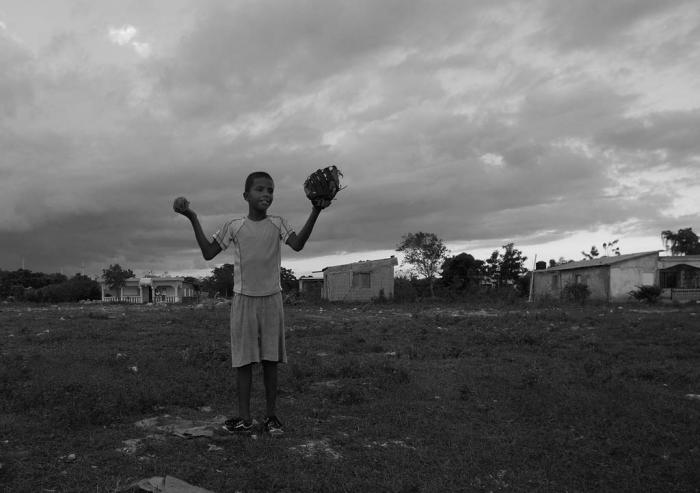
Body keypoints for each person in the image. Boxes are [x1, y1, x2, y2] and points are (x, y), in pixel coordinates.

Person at [173, 171, 330, 436]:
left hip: (272, 299)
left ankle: (270, 417)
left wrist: (316, 211)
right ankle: (244, 418)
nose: (266, 194)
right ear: (246, 196)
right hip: (243, 300)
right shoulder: (234, 226)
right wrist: (192, 217)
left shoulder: (278, 223)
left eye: (270, 190)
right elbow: (208, 252)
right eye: (259, 189)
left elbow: (299, 245)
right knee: (244, 362)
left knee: (270, 361)